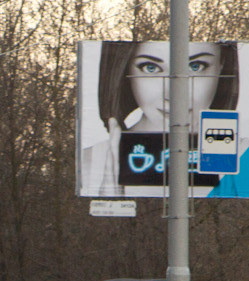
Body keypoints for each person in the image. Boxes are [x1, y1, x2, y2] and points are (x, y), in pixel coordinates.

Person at [78, 40, 236, 197]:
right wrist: (111, 207)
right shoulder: (90, 165)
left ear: (222, 65)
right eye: (150, 68)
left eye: (195, 67)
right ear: (124, 70)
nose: (173, 95)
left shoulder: (248, 155)